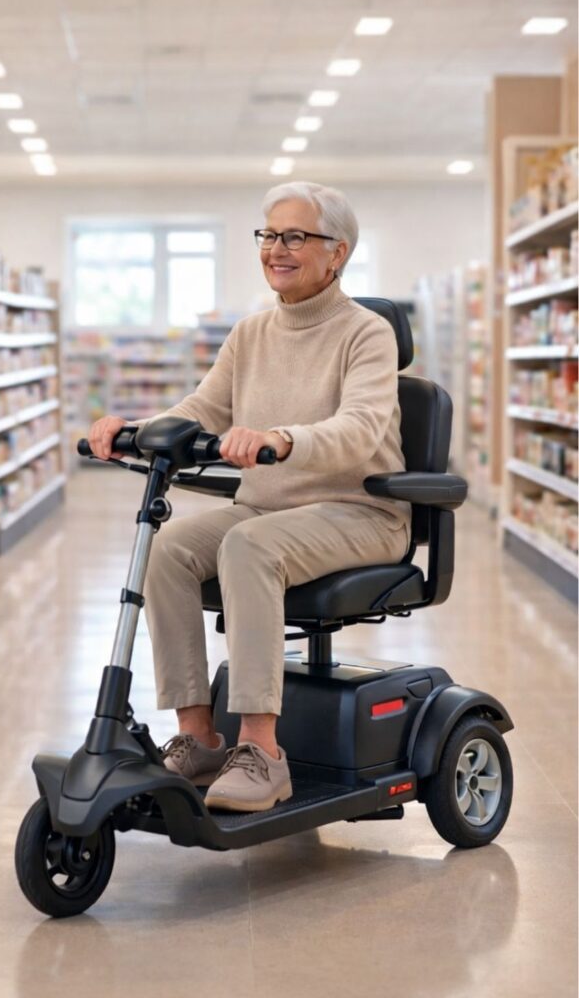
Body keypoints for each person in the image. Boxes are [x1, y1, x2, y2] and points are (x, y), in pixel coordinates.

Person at [88, 181, 411, 813]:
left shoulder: (366, 334)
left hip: (361, 513)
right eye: (268, 235)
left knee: (248, 545)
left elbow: (362, 427)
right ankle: (200, 736)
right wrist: (131, 430)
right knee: (169, 549)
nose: (276, 249)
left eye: (295, 236)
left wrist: (282, 440)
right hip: (268, 509)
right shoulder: (251, 333)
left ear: (336, 252)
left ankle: (262, 752)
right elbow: (201, 409)